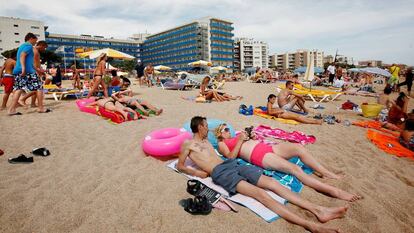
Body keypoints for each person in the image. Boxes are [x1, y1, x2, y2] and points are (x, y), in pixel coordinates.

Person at [178, 116, 356, 233]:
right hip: (220, 173)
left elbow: (225, 152)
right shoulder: (187, 145)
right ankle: (311, 225)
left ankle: (319, 210)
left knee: (273, 184)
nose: (208, 129)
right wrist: (196, 172)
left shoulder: (208, 142)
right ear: (200, 126)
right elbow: (180, 165)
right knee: (261, 195)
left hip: (231, 164)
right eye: (206, 127)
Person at [215, 123, 363, 199]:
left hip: (266, 148)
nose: (229, 131)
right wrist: (241, 141)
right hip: (259, 156)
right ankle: (334, 191)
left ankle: (326, 173)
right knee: (295, 169)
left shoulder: (237, 136)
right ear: (219, 134)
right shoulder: (222, 143)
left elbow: (248, 141)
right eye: (225, 129)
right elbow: (230, 158)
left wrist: (251, 137)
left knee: (299, 148)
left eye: (228, 128)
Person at [8, 33, 50, 115]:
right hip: (27, 71)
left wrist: (37, 69)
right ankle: (41, 108)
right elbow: (22, 56)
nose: (35, 42)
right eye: (35, 40)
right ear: (31, 38)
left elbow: (29, 62)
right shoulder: (29, 46)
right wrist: (23, 68)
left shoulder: (22, 46)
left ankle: (11, 109)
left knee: (18, 89)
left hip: (19, 70)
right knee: (39, 87)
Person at [19, 40, 49, 108]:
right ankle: (22, 99)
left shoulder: (35, 51)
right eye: (44, 48)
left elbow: (37, 63)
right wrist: (38, 70)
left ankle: (32, 103)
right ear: (41, 45)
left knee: (35, 89)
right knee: (37, 89)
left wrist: (40, 70)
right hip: (34, 72)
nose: (44, 49)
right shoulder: (34, 51)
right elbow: (31, 63)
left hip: (35, 71)